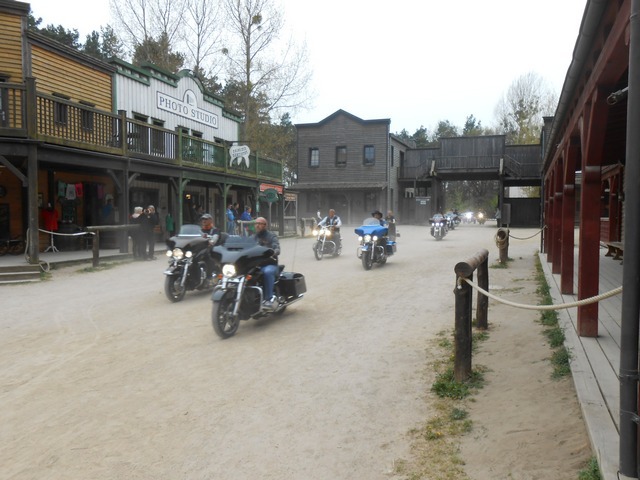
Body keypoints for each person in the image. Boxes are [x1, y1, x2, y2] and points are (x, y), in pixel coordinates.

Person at [252, 217, 280, 308]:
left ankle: (269, 299)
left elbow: (276, 247)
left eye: (260, 223)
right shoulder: (253, 237)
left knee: (267, 272)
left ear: (265, 225)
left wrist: (275, 251)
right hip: (255, 265)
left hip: (269, 264)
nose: (257, 225)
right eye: (256, 223)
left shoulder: (271, 236)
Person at [199, 213, 220, 281]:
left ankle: (209, 276)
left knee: (208, 258)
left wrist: (211, 241)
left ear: (210, 220)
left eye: (206, 219)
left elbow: (215, 238)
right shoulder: (200, 230)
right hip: (201, 248)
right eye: (203, 219)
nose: (204, 221)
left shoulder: (214, 230)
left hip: (211, 248)